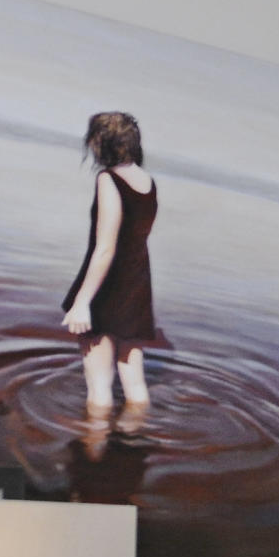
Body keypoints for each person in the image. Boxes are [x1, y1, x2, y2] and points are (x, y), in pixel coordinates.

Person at [59, 111, 169, 418]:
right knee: (135, 384)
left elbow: (106, 248)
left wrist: (83, 302)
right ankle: (133, 438)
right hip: (137, 283)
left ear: (100, 143)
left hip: (108, 286)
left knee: (99, 386)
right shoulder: (147, 182)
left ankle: (94, 444)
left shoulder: (109, 179)